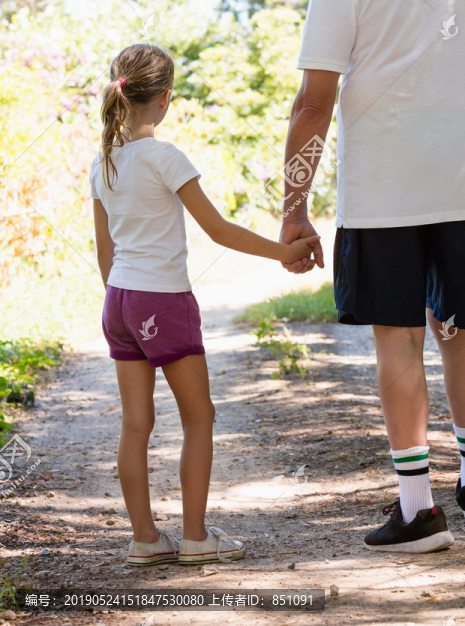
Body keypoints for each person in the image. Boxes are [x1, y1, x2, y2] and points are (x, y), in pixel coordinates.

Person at [278, 0, 465, 553]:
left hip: (386, 194)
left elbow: (312, 106)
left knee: (400, 338)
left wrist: (295, 205)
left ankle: (417, 509)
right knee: (458, 328)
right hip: (464, 185)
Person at [90, 43, 320, 566]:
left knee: (135, 425)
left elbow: (106, 256)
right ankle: (195, 537)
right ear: (166, 99)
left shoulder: (102, 164)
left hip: (119, 300)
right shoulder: (166, 156)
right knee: (199, 417)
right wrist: (285, 251)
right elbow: (217, 229)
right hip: (162, 300)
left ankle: (145, 539)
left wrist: (125, 304)